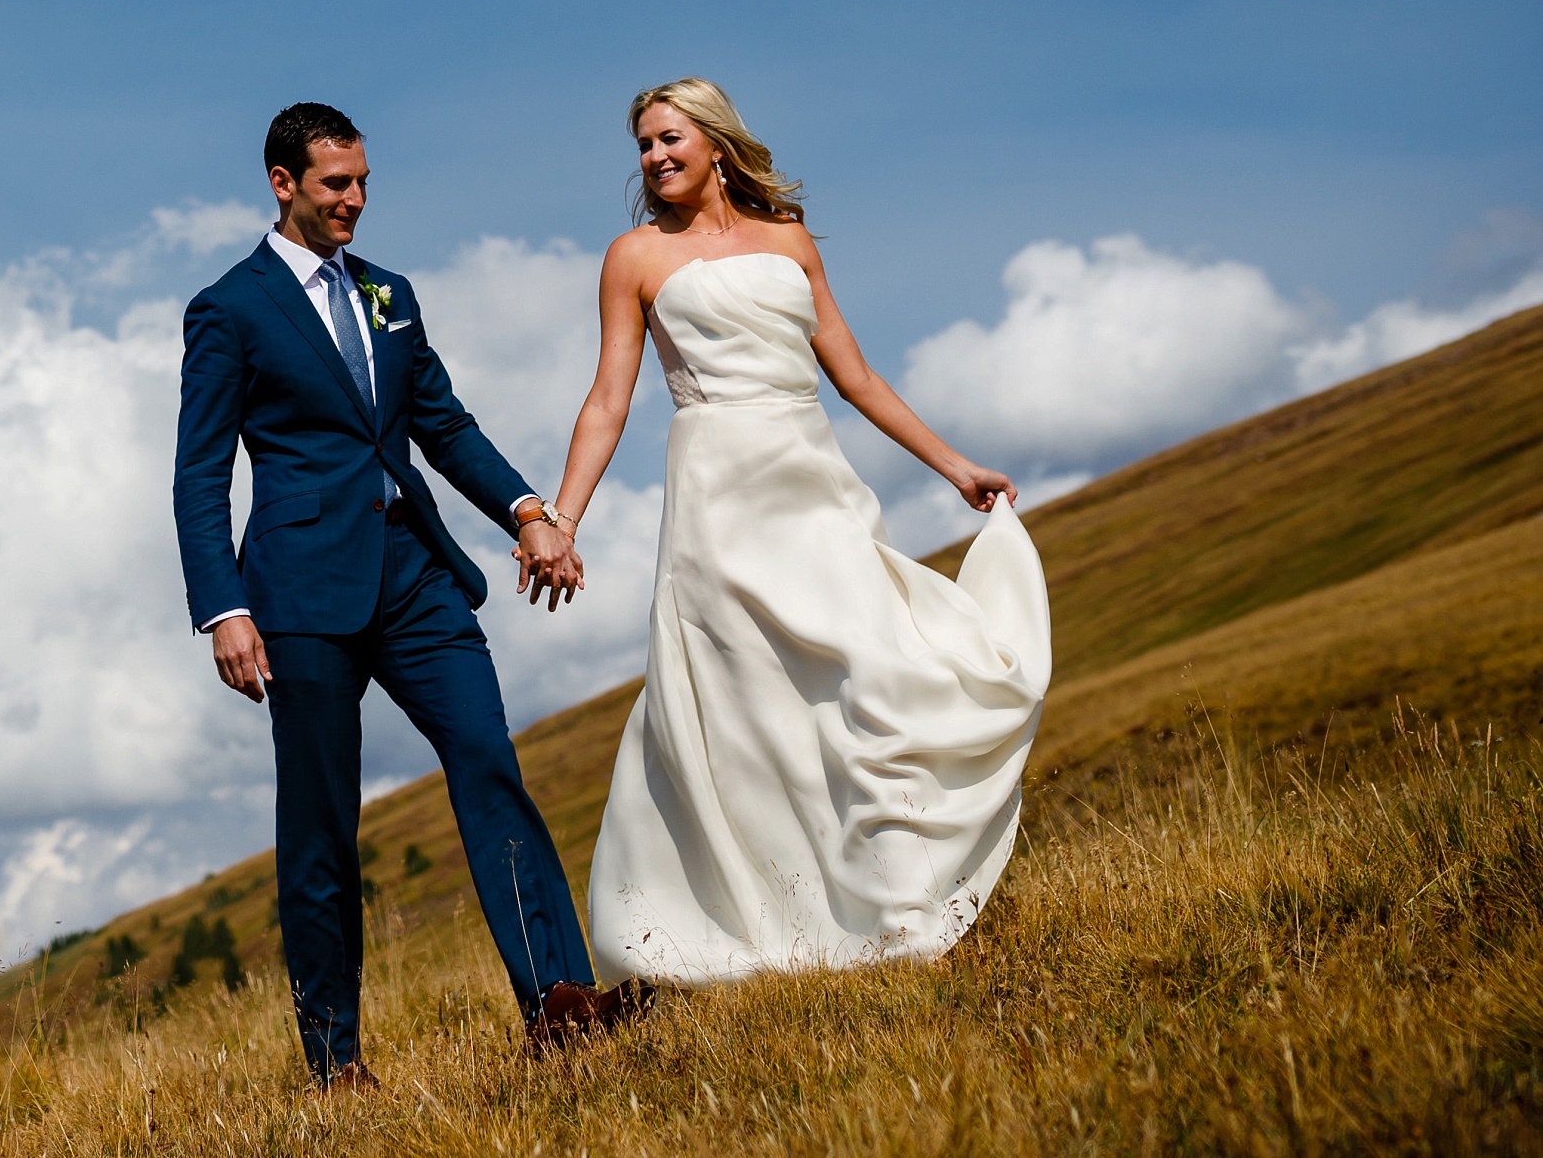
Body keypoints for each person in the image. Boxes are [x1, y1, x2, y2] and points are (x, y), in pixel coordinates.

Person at [537, 77, 1051, 983]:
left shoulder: (791, 241)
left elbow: (855, 376)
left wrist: (955, 463)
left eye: (669, 138)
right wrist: (562, 516)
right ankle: (757, 918)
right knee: (744, 706)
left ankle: (893, 899)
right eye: (645, 146)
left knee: (875, 669)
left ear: (717, 142)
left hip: (813, 479)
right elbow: (608, 398)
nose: (655, 157)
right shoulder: (633, 257)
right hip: (716, 493)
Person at [173, 102, 633, 1085]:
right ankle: (333, 1057)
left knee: (486, 759)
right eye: (335, 183)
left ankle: (556, 1000)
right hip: (296, 594)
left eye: (363, 182)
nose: (354, 200)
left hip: (416, 576)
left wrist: (525, 510)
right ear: (281, 182)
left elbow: (443, 423)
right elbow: (197, 471)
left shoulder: (391, 293)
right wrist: (222, 606)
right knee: (320, 826)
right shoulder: (230, 306)